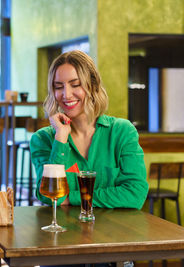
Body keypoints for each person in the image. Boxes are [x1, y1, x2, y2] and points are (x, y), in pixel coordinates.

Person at [30, 50, 148, 209]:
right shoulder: (43, 139)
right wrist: (60, 139)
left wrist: (72, 198)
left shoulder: (122, 132)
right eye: (59, 87)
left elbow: (135, 194)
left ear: (93, 85)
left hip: (115, 231)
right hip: (66, 232)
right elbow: (49, 195)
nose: (66, 94)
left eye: (75, 84)